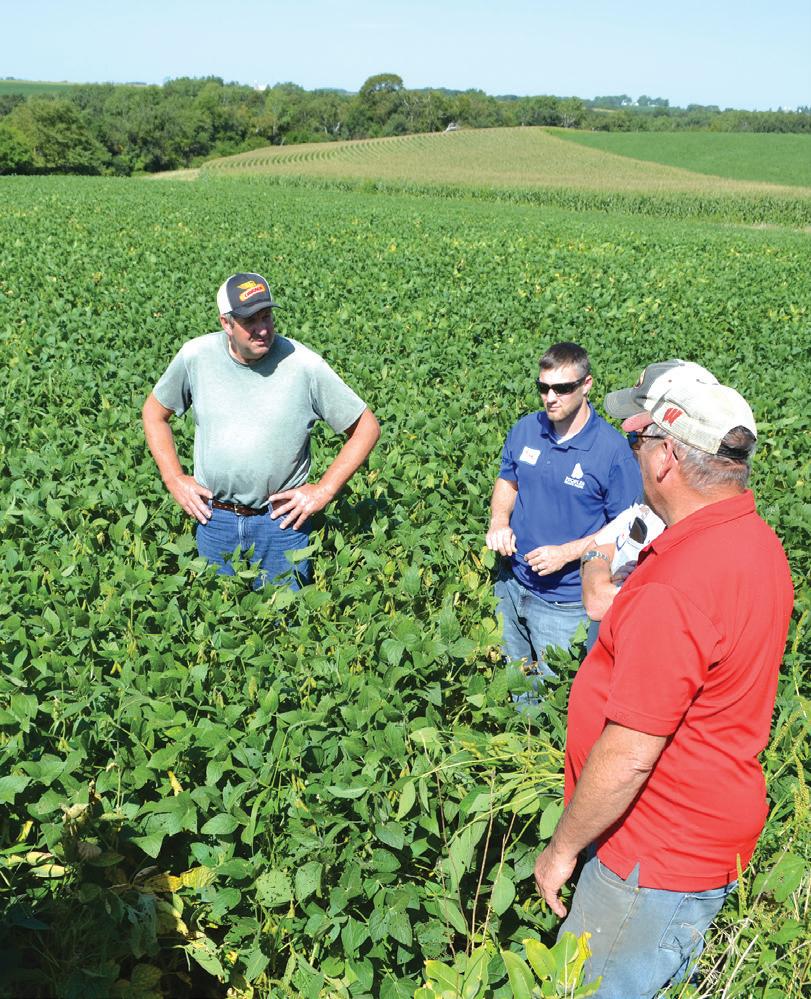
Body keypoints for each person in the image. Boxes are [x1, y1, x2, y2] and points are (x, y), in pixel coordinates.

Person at [533, 361, 794, 999]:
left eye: (640, 441)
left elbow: (628, 755)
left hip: (650, 856)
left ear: (666, 459)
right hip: (701, 832)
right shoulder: (757, 543)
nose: (635, 454)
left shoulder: (678, 585)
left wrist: (561, 849)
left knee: (581, 989)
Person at [142, 272, 380, 588]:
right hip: (214, 520)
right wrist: (173, 479)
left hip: (280, 524)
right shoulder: (196, 357)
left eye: (266, 316)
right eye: (250, 321)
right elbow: (154, 414)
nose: (263, 329)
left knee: (285, 615)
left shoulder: (303, 365)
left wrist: (323, 491)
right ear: (226, 323)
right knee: (216, 613)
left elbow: (366, 428)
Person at [485, 342, 641, 686]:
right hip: (510, 585)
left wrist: (567, 553)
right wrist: (499, 522)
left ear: (587, 385)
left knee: (553, 695)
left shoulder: (612, 452)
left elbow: (628, 527)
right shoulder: (526, 429)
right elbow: (508, 481)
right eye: (543, 388)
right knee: (513, 682)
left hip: (566, 602)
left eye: (562, 388)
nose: (550, 398)